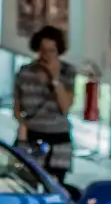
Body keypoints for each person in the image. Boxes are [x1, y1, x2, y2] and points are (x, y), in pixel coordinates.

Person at [14, 25, 76, 177]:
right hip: (32, 135)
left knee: (54, 182)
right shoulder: (25, 72)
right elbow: (17, 106)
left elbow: (65, 107)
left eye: (51, 51)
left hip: (58, 138)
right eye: (43, 50)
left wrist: (55, 79)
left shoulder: (67, 72)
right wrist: (22, 128)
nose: (46, 55)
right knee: (27, 178)